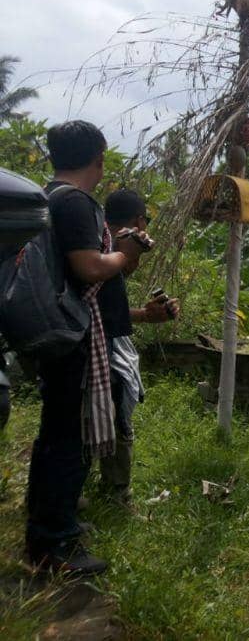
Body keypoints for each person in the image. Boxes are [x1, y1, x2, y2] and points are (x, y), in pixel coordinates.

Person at [25, 121, 148, 575]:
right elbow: (89, 267)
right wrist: (124, 252)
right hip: (74, 336)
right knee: (69, 442)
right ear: (97, 158)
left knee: (54, 434)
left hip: (53, 329)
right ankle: (56, 544)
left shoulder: (48, 194)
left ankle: (45, 525)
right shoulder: (76, 202)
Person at [97, 189, 179, 503]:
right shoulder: (109, 248)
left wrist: (145, 315)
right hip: (96, 350)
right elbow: (98, 311)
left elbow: (105, 306)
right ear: (139, 221)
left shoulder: (98, 244)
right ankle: (116, 493)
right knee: (116, 418)